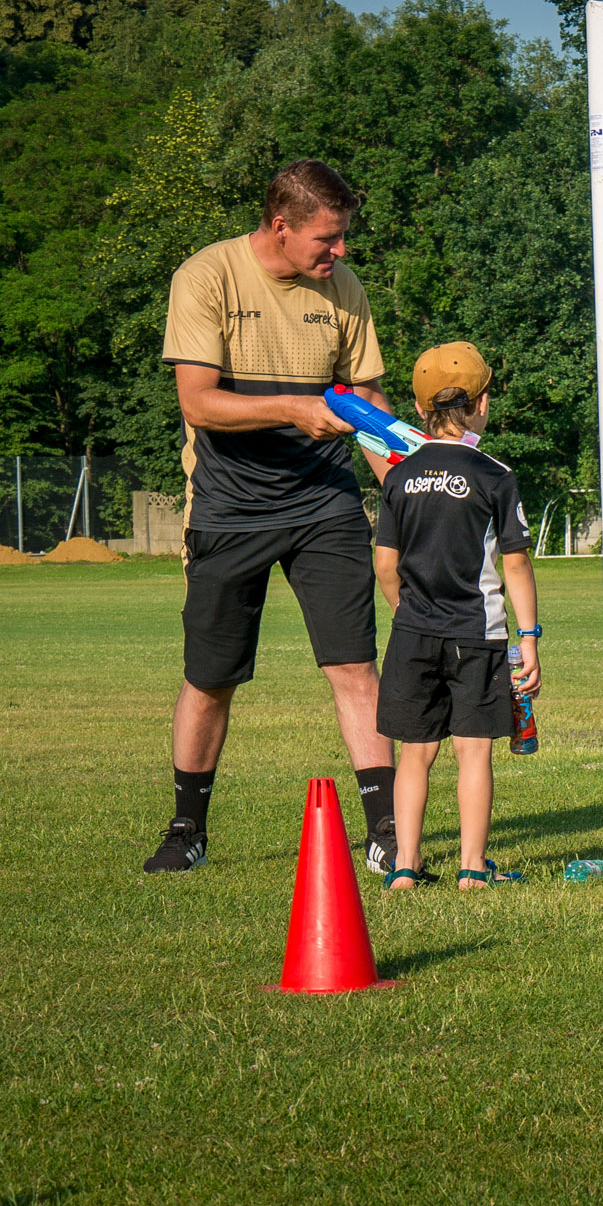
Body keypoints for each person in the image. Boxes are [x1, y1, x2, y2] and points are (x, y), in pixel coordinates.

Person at [146, 159, 401, 874]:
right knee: (212, 675)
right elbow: (198, 403)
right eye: (327, 238)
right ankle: (186, 829)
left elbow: (371, 410)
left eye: (344, 237)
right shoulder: (207, 276)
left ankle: (386, 834)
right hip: (231, 505)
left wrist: (413, 486)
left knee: (355, 666)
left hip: (325, 502)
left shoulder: (341, 288)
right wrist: (292, 408)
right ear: (280, 226)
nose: (340, 252)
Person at [370, 343, 541, 889]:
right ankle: (471, 869)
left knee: (414, 755)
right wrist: (530, 636)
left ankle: (403, 868)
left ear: (419, 409)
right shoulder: (495, 474)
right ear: (482, 402)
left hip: (414, 633)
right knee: (473, 755)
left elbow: (385, 564)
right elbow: (514, 563)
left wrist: (408, 613)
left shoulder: (398, 476)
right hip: (478, 635)